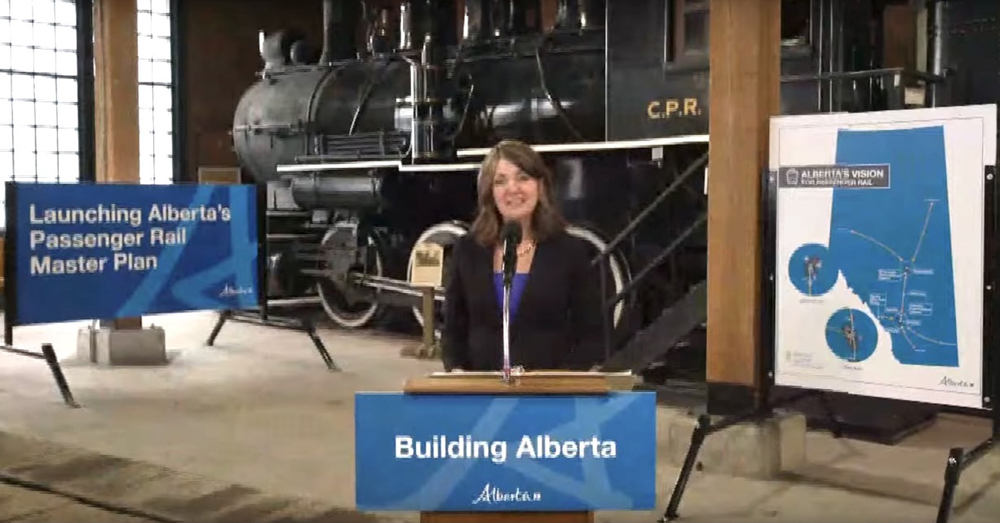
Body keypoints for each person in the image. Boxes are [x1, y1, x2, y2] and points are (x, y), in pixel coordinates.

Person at [441, 139, 606, 372]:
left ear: (540, 185)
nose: (513, 189)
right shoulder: (467, 250)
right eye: (500, 181)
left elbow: (592, 335)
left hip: (549, 395)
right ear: (490, 192)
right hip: (481, 394)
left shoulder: (570, 251)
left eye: (523, 178)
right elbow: (452, 332)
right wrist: (456, 370)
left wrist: (566, 380)